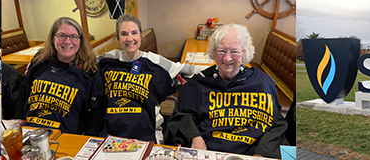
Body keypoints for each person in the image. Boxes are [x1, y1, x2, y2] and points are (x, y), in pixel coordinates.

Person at [166, 24, 287, 158]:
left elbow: (276, 122)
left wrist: (262, 152)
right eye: (222, 51)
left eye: (234, 52)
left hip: (252, 152)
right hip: (210, 152)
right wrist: (195, 137)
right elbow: (182, 115)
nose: (227, 58)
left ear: (245, 53)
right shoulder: (199, 83)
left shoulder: (262, 83)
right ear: (213, 51)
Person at [95, 14, 178, 142]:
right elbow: (87, 63)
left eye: (134, 33)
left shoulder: (154, 61)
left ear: (140, 35)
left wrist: (218, 67)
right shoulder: (108, 60)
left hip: (146, 133)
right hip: (112, 134)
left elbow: (185, 69)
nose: (129, 38)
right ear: (117, 38)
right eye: (123, 34)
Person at [16, 17, 100, 134]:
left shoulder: (89, 68)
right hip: (32, 130)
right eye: (61, 36)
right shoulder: (39, 60)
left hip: (65, 135)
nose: (67, 41)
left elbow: (94, 110)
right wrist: (18, 121)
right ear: (52, 38)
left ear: (80, 40)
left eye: (73, 37)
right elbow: (24, 90)